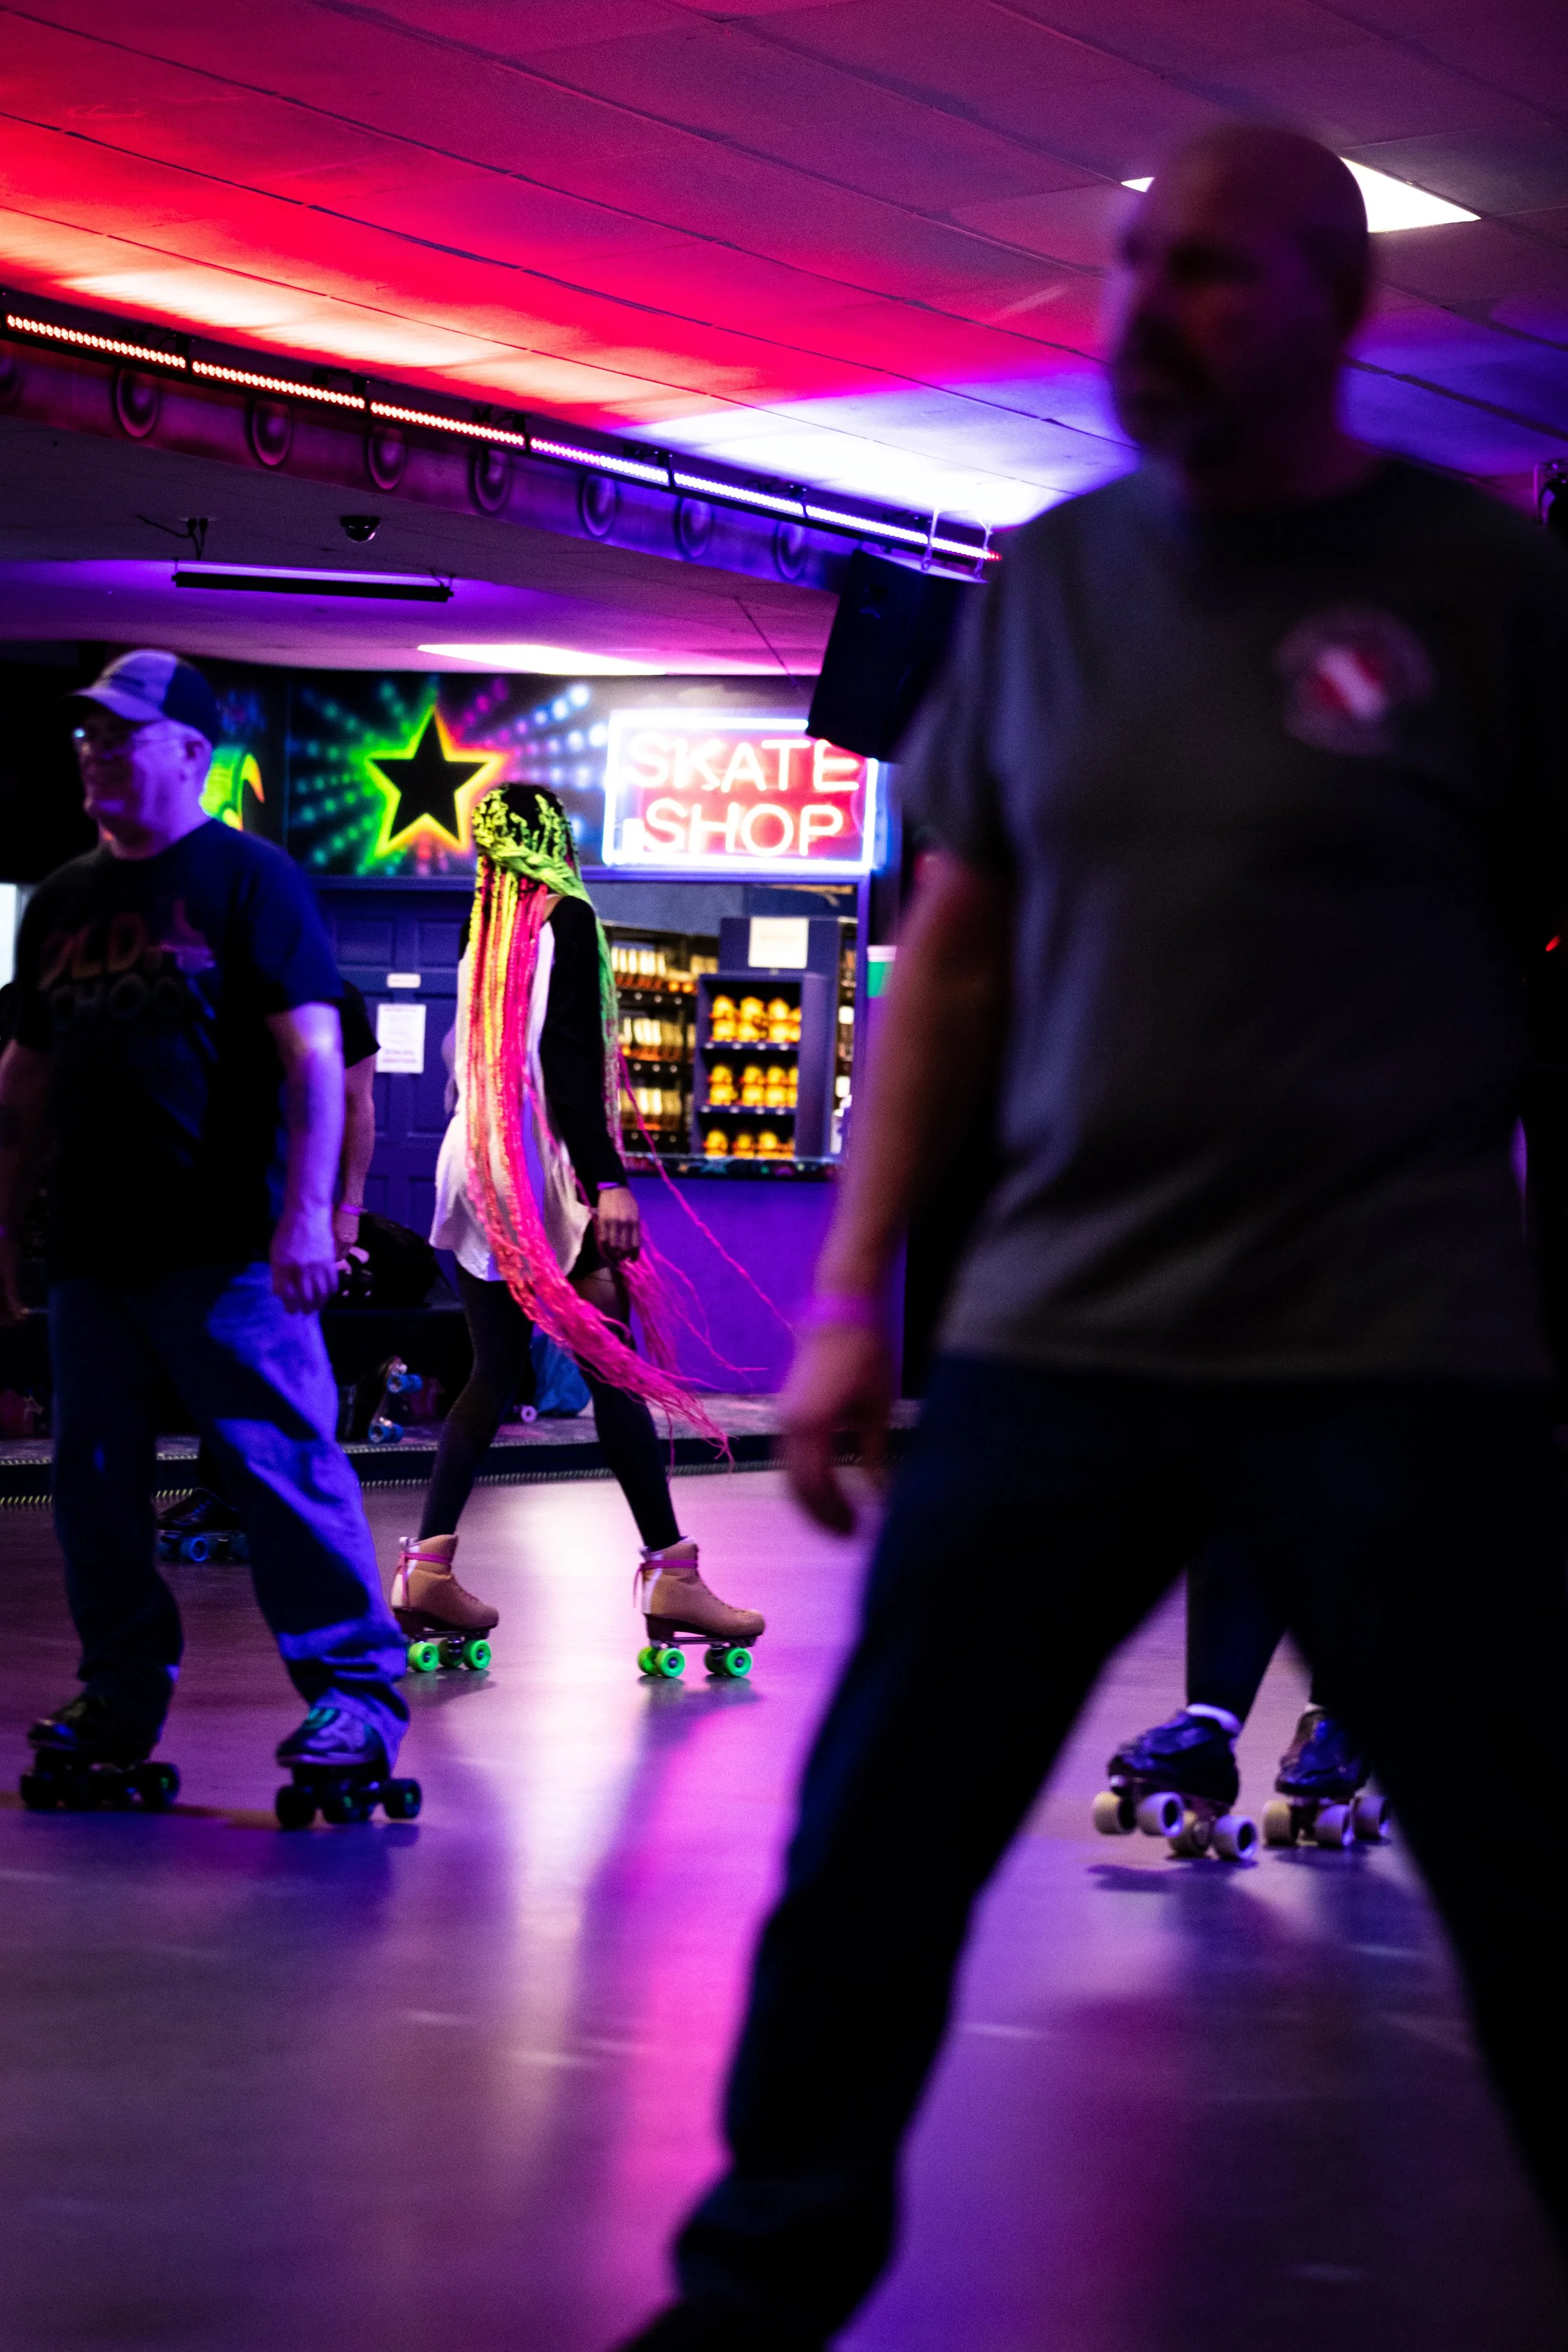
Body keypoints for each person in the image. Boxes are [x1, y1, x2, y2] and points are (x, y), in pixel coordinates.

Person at [618, 125, 1568, 2349]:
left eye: (1219, 273)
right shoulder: (1048, 586)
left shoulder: (1484, 594)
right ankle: (757, 2295)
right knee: (872, 1850)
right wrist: (851, 1298)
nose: (1157, 307)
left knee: (1533, 1876)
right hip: (1066, 1336)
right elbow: (954, 947)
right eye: (1139, 266)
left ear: (1346, 307)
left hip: (1391, 1343)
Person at [0, 648, 408, 1797]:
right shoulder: (64, 901)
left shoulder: (248, 879)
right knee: (91, 1488)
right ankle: (120, 1697)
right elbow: (23, 1083)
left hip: (228, 1251)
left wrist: (312, 1217)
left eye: (120, 736)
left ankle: (355, 1704)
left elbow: (316, 1058)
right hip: (92, 1257)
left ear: (191, 753)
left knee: (282, 1470)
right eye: (86, 737)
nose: (94, 756)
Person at [391, 782, 763, 1672]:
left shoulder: (485, 933)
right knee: (611, 1367)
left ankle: (427, 1568)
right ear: (556, 836)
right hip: (545, 1176)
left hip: (476, 1166)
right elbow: (569, 1067)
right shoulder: (567, 919)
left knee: (497, 1367)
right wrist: (611, 1182)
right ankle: (673, 1575)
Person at [156, 976, 381, 1557]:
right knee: (218, 1350)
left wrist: (348, 1208)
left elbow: (359, 1104)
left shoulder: (335, 995)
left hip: (291, 1204)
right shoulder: (204, 985)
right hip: (208, 1197)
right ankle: (230, 1487)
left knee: (283, 1352)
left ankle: (288, 1496)